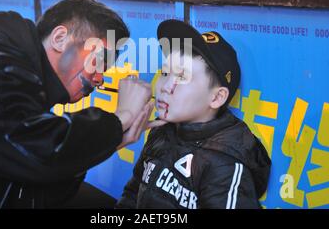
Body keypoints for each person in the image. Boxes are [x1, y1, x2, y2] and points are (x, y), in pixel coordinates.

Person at [0, 0, 157, 208]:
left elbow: (20, 182)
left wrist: (110, 141)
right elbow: (44, 152)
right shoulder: (1, 64)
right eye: (99, 59)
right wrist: (120, 118)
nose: (101, 77)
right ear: (60, 38)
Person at [116, 20, 271, 209]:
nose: (165, 87)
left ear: (216, 97)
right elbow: (133, 194)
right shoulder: (161, 129)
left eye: (182, 77)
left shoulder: (225, 162)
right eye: (164, 73)